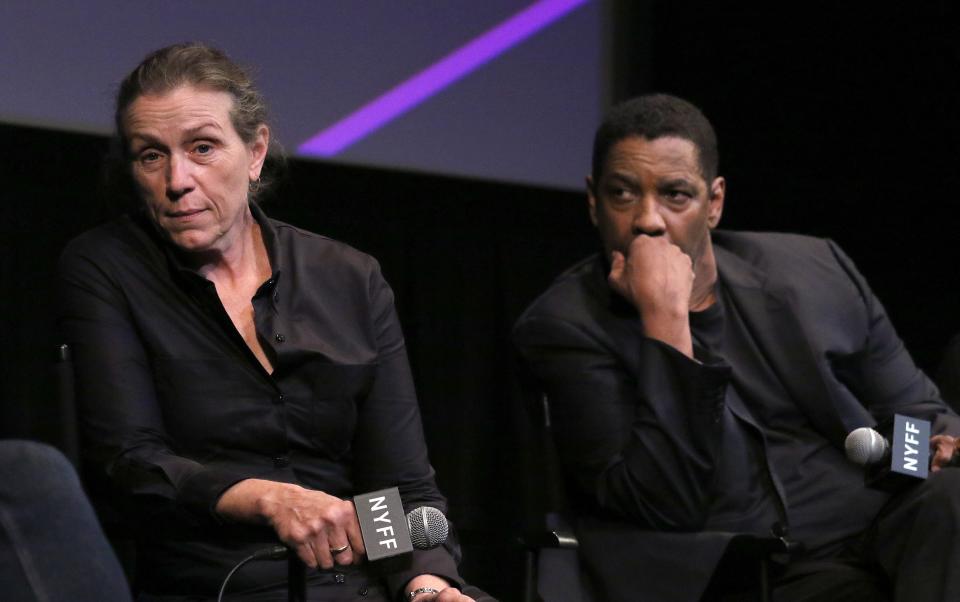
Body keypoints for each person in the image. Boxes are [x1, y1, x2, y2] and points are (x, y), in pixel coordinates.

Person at [58, 43, 479, 602]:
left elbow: (406, 495)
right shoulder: (105, 267)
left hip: (364, 585)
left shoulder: (350, 278)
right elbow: (131, 465)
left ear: (255, 152)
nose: (177, 179)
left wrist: (425, 585)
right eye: (151, 156)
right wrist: (268, 498)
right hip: (221, 581)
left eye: (202, 148)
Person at [512, 94, 960, 602]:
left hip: (880, 524)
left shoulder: (813, 270)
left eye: (676, 195)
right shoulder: (564, 328)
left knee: (952, 500)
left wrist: (931, 446)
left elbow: (921, 412)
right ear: (593, 202)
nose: (648, 221)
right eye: (623, 194)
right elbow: (662, 504)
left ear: (715, 203)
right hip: (738, 564)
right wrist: (665, 321)